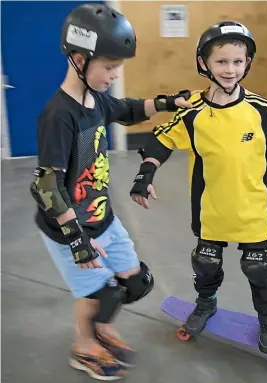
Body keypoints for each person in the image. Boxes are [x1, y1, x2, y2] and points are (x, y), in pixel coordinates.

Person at [129, 21, 267, 355]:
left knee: (258, 267)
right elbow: (161, 140)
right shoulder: (192, 112)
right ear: (204, 64)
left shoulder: (259, 110)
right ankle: (206, 303)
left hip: (252, 209)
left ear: (247, 63)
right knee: (206, 262)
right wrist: (145, 176)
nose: (230, 69)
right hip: (210, 207)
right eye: (221, 62)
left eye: (238, 62)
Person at [29, 3, 194, 380]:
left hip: (101, 217)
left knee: (134, 282)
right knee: (98, 292)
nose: (115, 74)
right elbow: (47, 184)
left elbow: (130, 108)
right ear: (77, 59)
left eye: (119, 66)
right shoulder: (59, 115)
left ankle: (102, 326)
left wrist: (169, 102)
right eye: (108, 66)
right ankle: (84, 344)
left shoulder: (96, 101)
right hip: (69, 227)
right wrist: (77, 240)